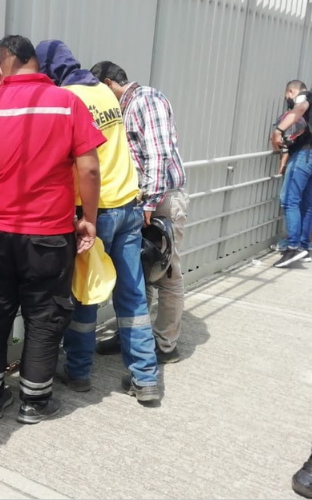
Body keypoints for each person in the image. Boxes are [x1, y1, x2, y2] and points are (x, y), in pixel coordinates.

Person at [0, 35, 102, 424]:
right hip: (49, 234)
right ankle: (34, 402)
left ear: (1, 67)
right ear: (36, 63)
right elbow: (89, 168)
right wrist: (89, 219)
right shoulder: (69, 104)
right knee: (44, 314)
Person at [37, 40, 160, 402]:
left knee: (87, 292)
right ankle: (146, 378)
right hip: (128, 203)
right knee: (133, 294)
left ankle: (78, 371)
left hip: (95, 210)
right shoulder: (105, 94)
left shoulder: (66, 99)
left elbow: (74, 162)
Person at [90, 60, 189, 363]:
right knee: (137, 275)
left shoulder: (147, 99)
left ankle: (165, 345)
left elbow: (159, 154)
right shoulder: (126, 107)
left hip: (161, 199)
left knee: (167, 272)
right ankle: (131, 336)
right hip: (142, 200)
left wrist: (149, 201)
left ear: (108, 84)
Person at [270, 80, 312, 267]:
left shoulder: (304, 96)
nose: (288, 99)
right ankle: (304, 246)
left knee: (289, 199)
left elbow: (300, 108)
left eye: (288, 95)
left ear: (291, 91)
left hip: (305, 154)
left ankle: (293, 246)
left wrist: (278, 131)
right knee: (306, 203)